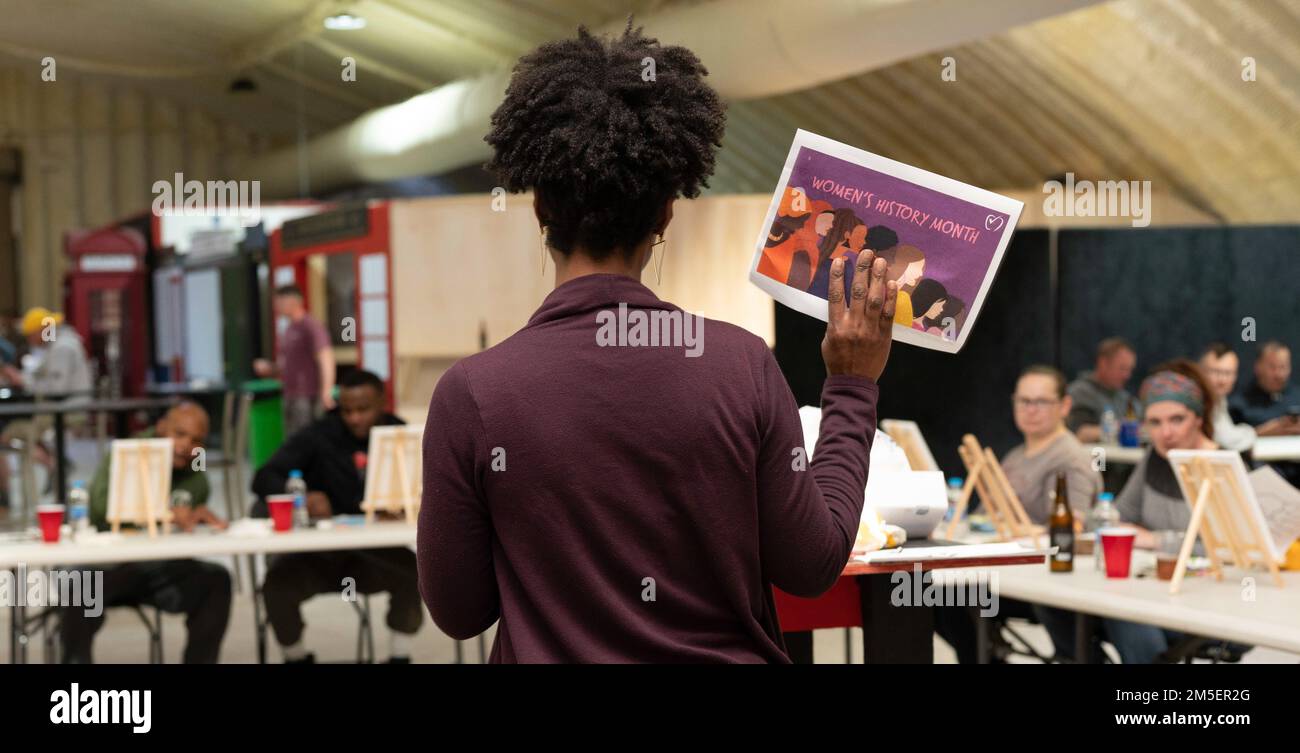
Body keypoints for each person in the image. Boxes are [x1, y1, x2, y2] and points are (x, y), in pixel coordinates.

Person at [418, 23, 897, 663]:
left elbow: (458, 611)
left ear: (539, 210)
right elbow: (811, 565)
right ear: (668, 211)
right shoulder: (740, 366)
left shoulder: (472, 394)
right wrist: (851, 387)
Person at [1044, 361, 1229, 663]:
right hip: (1153, 589)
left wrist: (1155, 540)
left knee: (1124, 612)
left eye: (1176, 420)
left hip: (1207, 599)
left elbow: (1223, 549)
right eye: (1154, 423)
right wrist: (1092, 520)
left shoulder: (1223, 468)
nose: (1165, 432)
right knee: (1054, 601)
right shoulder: (1155, 459)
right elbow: (1118, 514)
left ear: (1197, 418)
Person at [251, 369, 421, 664]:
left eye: (363, 409)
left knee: (412, 570)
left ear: (382, 402)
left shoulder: (399, 433)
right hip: (318, 555)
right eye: (347, 410)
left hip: (374, 554)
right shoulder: (318, 435)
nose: (354, 418)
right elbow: (263, 477)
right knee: (276, 586)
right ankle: (296, 657)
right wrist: (301, 496)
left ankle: (399, 655)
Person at [934, 365, 1101, 664]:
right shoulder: (1017, 455)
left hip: (1041, 583)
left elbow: (1070, 529)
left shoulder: (1071, 459)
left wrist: (1021, 532)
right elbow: (985, 518)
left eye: (1040, 402)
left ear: (1064, 406)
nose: (1030, 410)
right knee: (933, 590)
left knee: (944, 593)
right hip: (1007, 572)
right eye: (1023, 401)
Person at [60, 402, 232, 663]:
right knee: (79, 584)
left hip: (160, 567)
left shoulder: (195, 461)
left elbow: (200, 490)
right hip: (110, 565)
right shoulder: (128, 452)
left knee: (217, 580)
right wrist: (165, 511)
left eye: (197, 440)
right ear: (161, 427)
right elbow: (99, 507)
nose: (186, 445)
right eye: (179, 434)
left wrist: (199, 513)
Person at [253, 285, 335, 436]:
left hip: (306, 394)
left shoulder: (311, 326)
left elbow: (326, 357)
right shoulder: (289, 328)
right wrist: (270, 368)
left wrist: (326, 391)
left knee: (305, 437)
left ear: (291, 301)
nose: (276, 306)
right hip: (289, 393)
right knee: (291, 439)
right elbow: (286, 365)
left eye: (279, 302)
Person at [1230, 341, 1300, 486]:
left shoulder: (1296, 395)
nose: (1279, 374)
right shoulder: (1239, 404)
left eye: (1283, 367)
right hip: (1262, 471)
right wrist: (1265, 431)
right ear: (1258, 367)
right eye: (1273, 367)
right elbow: (1230, 444)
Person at [0, 307, 92, 396]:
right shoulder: (54, 344)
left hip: (71, 409)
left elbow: (57, 389)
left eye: (30, 336)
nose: (29, 341)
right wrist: (21, 377)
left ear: (42, 330)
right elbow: (41, 372)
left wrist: (24, 382)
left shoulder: (62, 348)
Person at [1066, 337, 1139, 442]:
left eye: (1130, 370)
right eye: (1122, 368)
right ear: (1103, 363)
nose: (1127, 375)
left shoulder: (1125, 398)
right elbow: (1079, 432)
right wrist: (1123, 428)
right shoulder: (1080, 393)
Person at [1199, 342, 1256, 452]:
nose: (1222, 380)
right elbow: (1227, 441)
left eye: (1228, 373)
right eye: (1215, 372)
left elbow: (1227, 435)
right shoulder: (1197, 399)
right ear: (1201, 372)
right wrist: (1251, 432)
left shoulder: (1219, 398)